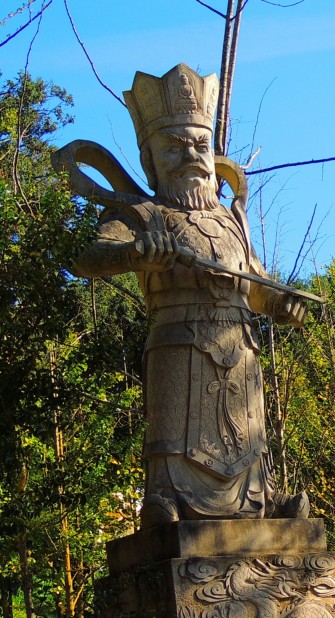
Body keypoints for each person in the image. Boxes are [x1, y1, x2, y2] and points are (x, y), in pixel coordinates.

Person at [73, 63, 309, 528]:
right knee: (178, 434)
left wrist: (281, 304)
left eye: (200, 145)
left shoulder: (231, 221)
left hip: (239, 346)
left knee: (245, 431)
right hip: (178, 343)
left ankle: (259, 499)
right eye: (174, 147)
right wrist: (136, 255)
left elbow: (255, 284)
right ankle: (166, 499)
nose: (190, 157)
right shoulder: (141, 213)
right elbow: (88, 258)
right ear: (149, 160)